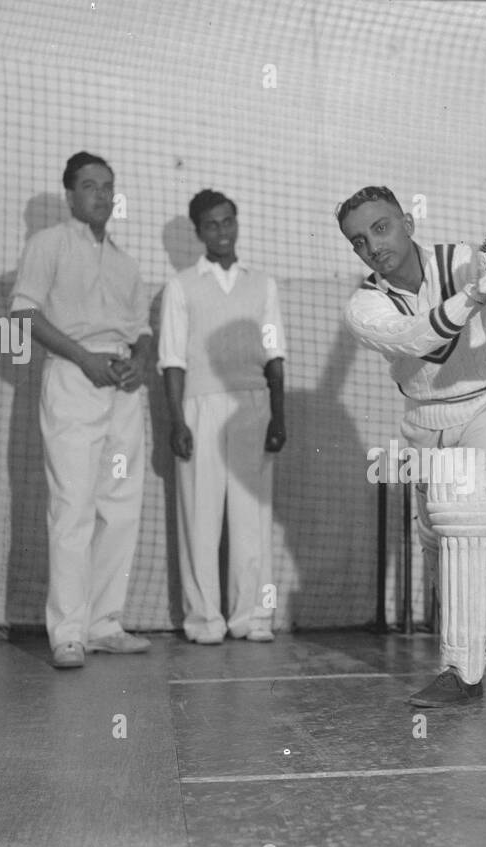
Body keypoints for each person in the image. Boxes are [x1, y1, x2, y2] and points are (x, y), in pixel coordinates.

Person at [337, 186, 486, 706]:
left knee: (470, 510)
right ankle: (468, 644)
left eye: (382, 228)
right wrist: (473, 297)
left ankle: (462, 672)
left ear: (409, 222)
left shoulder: (465, 261)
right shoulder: (363, 305)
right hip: (424, 422)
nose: (373, 246)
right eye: (359, 241)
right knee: (439, 542)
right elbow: (415, 338)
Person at [11, 151, 154, 669]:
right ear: (70, 193)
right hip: (72, 380)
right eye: (90, 185)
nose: (101, 194)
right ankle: (67, 633)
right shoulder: (46, 244)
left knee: (119, 508)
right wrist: (83, 358)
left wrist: (139, 362)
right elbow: (24, 314)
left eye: (108, 185)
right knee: (72, 507)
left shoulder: (126, 263)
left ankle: (103, 624)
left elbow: (141, 331)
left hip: (122, 389)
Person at [158, 189, 287, 644]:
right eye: (212, 225)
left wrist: (279, 416)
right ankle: (205, 621)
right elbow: (172, 360)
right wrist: (178, 421)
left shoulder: (263, 284)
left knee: (251, 519)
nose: (222, 232)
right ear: (198, 233)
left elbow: (274, 355)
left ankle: (250, 617)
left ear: (237, 223)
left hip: (253, 406)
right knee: (201, 517)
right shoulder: (181, 286)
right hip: (199, 407)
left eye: (228, 221)